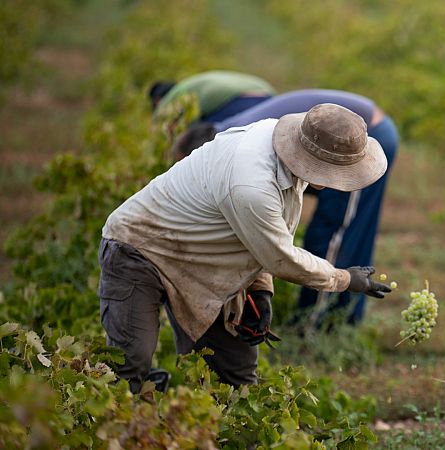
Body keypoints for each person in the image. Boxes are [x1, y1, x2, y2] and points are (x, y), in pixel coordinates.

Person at [98, 103, 392, 393]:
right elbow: (281, 257)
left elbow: (269, 238)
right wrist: (344, 278)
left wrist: (260, 291)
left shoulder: (287, 151)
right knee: (130, 367)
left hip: (207, 261)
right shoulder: (253, 185)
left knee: (234, 375)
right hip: (140, 248)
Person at [174, 89, 399, 327]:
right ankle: (340, 318)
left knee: (334, 233)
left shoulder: (239, 155)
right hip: (351, 133)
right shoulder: (228, 137)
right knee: (344, 231)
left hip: (358, 140)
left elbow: (276, 250)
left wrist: (343, 279)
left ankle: (314, 327)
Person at [149, 70, 277, 122]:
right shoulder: (193, 83)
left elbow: (158, 121)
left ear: (158, 100)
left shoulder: (171, 98)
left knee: (205, 136)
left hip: (239, 101)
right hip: (269, 96)